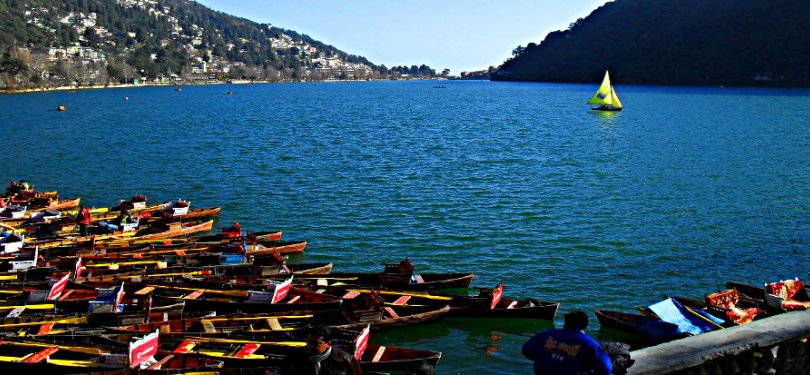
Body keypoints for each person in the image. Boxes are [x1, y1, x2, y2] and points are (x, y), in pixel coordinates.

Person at [522, 311, 613, 375]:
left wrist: (545, 357)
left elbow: (527, 350)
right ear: (585, 325)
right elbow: (606, 368)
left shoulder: (546, 334)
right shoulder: (590, 344)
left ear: (565, 322)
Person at [288, 326, 363, 375]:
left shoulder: (347, 360)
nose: (310, 345)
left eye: (316, 343)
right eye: (309, 341)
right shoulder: (294, 357)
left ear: (328, 344)